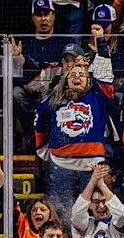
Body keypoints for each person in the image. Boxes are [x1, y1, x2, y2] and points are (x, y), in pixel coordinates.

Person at [34, 28, 116, 214]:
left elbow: (105, 74)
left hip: (91, 167)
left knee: (91, 213)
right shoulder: (55, 98)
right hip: (60, 166)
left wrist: (101, 42)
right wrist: (42, 149)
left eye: (81, 74)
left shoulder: (98, 95)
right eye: (72, 75)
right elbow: (39, 119)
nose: (76, 77)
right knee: (61, 214)